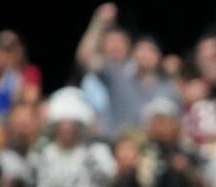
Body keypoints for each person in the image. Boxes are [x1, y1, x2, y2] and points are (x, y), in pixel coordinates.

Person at [75, 4, 181, 136]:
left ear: (159, 56)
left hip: (155, 151)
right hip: (118, 148)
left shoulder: (169, 88)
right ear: (133, 54)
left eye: (150, 50)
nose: (145, 55)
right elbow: (85, 56)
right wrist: (99, 23)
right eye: (141, 50)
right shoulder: (118, 76)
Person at [25, 88, 115, 187]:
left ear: (80, 126)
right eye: (62, 123)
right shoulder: (41, 154)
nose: (67, 128)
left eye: (72, 124)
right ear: (55, 125)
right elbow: (29, 184)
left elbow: (108, 179)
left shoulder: (94, 153)